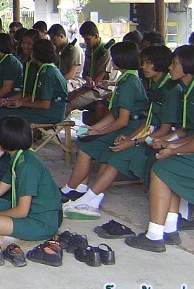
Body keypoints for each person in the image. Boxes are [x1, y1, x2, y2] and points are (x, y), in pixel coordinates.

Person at [126, 42, 194, 253]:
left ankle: (154, 236)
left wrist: (173, 149)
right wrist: (172, 146)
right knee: (171, 165)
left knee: (162, 169)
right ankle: (169, 229)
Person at [64, 45, 180, 218]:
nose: (143, 66)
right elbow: (147, 122)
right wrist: (128, 138)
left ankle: (85, 198)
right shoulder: (154, 85)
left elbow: (162, 128)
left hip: (158, 139)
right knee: (109, 151)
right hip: (145, 134)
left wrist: (132, 141)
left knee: (114, 156)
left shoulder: (169, 90)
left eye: (148, 63)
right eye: (143, 62)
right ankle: (87, 199)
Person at [61, 42, 148, 217]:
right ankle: (80, 188)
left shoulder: (129, 83)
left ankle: (71, 189)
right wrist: (93, 128)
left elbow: (122, 120)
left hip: (131, 128)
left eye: (114, 58)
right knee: (85, 138)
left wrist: (99, 132)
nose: (111, 61)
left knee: (88, 147)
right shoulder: (125, 79)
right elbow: (114, 115)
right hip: (125, 124)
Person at [0, 115, 62, 246]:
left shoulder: (27, 165)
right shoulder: (18, 157)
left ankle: (11, 232)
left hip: (42, 221)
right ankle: (9, 229)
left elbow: (22, 211)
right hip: (30, 211)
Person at [0, 39, 68, 124]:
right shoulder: (46, 70)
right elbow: (35, 96)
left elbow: (45, 105)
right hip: (50, 111)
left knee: (3, 115)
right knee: (1, 110)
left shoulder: (47, 73)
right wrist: (11, 102)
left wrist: (22, 103)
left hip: (52, 113)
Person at [66, 21, 113, 113]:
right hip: (89, 86)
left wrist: (81, 91)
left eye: (87, 39)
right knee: (65, 98)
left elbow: (98, 80)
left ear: (96, 36)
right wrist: (87, 78)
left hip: (101, 89)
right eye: (84, 39)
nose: (85, 42)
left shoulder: (105, 51)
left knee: (69, 104)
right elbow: (84, 74)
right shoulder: (89, 49)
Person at [47, 23, 83, 90]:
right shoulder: (58, 49)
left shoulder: (74, 49)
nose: (52, 42)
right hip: (62, 77)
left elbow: (70, 75)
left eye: (54, 39)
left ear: (61, 36)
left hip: (74, 81)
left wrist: (54, 81)